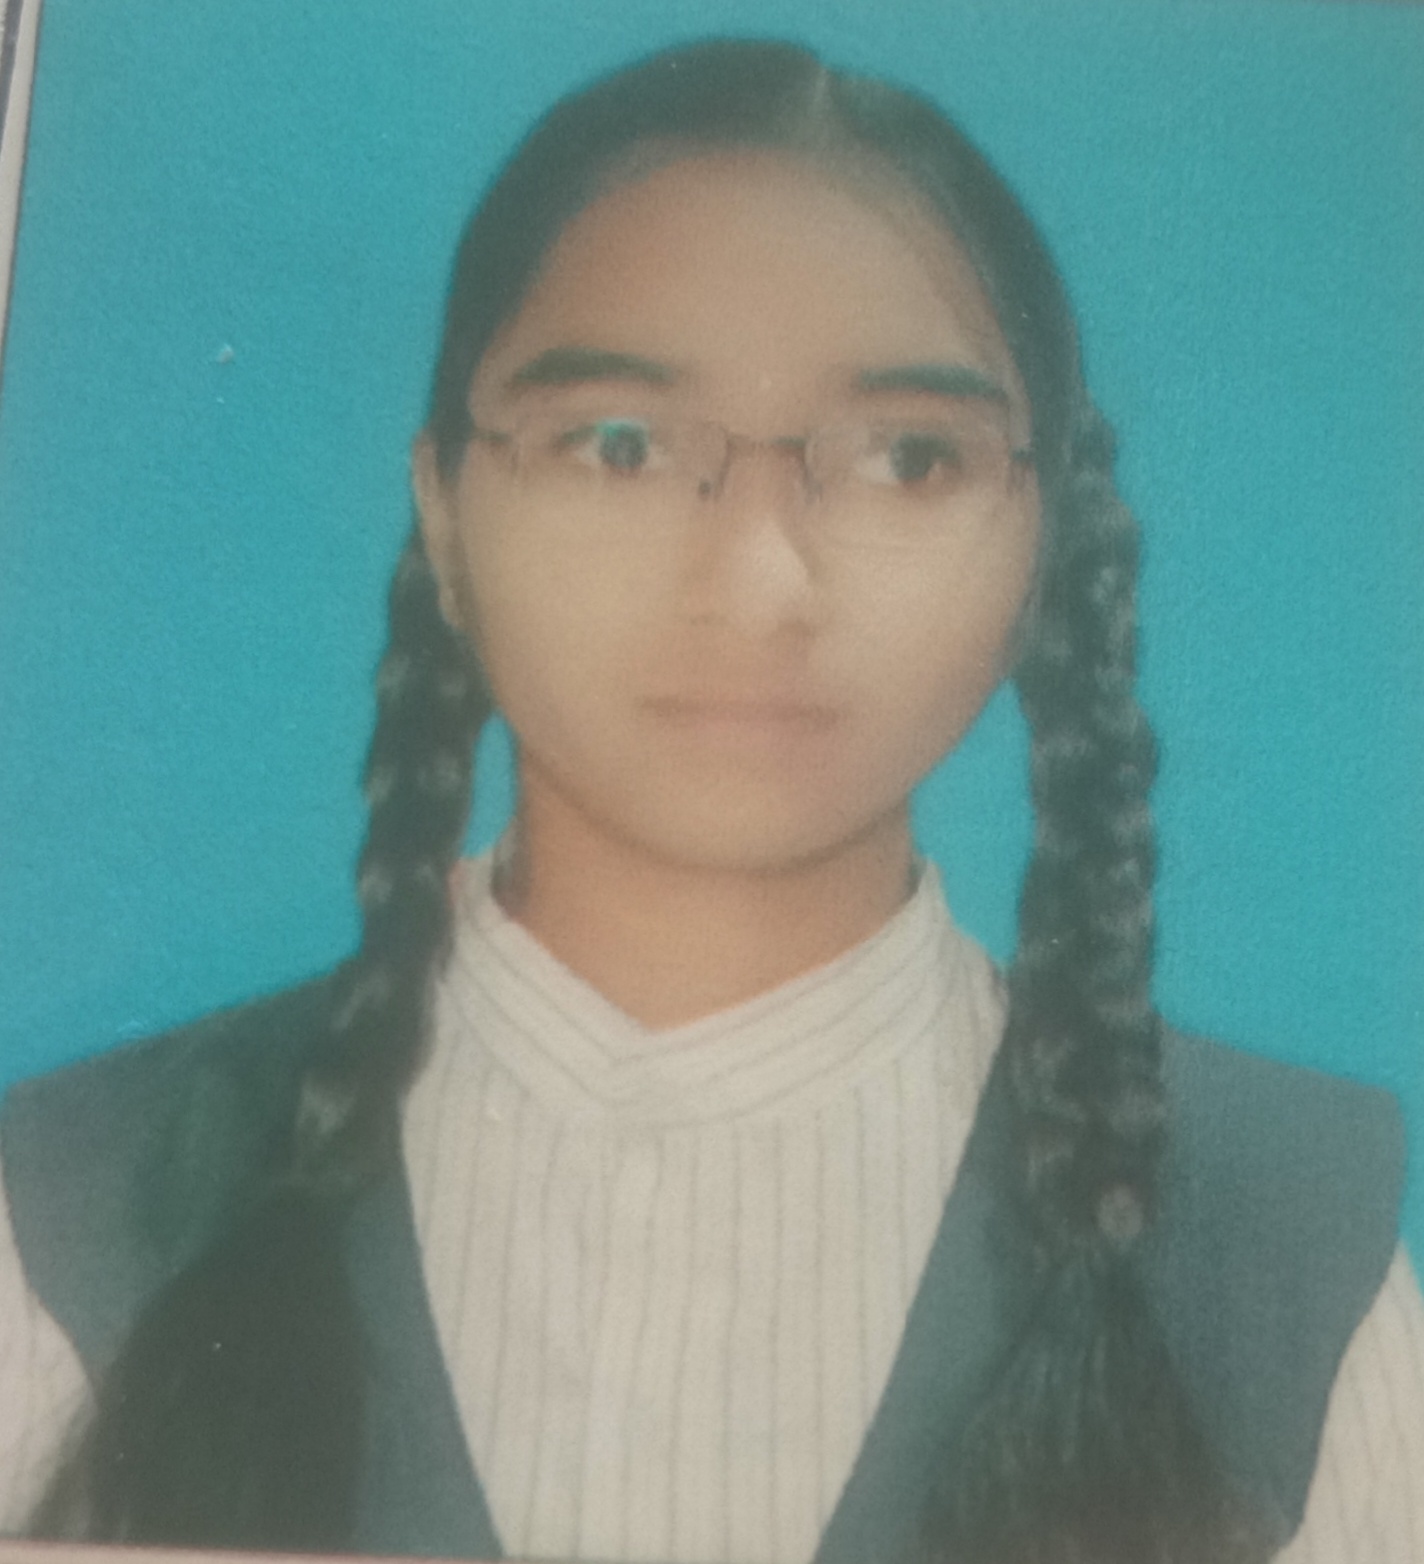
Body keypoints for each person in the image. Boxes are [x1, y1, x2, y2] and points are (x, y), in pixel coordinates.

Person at [1, 35, 1420, 1564]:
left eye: (908, 459)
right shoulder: (73, 1224)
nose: (759, 580)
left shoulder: (1288, 1267)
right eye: (618, 446)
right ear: (446, 515)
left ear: (1043, 547)